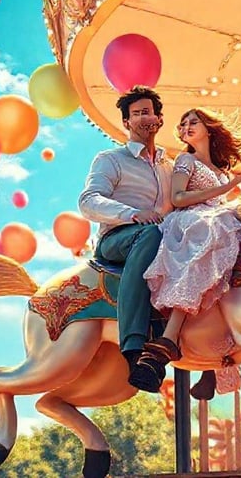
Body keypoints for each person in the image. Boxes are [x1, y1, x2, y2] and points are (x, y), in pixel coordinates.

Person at [134, 108, 241, 392]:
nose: (187, 126)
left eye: (194, 121)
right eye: (183, 123)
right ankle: (169, 335)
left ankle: (220, 339)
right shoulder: (185, 160)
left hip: (216, 218)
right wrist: (227, 187)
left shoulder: (221, 170)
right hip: (192, 220)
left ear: (208, 128)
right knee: (212, 232)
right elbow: (178, 198)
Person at [78, 86, 174, 392]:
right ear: (126, 122)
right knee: (151, 233)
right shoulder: (111, 159)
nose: (145, 117)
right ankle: (134, 347)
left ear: (159, 119)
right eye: (138, 113)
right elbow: (88, 200)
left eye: (150, 112)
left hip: (162, 239)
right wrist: (132, 213)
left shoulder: (169, 167)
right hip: (118, 239)